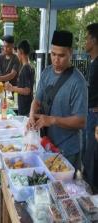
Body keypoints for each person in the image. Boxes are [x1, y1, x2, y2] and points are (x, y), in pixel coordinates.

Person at [28, 30, 88, 170]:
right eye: (53, 54)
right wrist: (31, 115)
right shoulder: (46, 72)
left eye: (61, 55)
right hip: (46, 144)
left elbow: (81, 121)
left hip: (67, 151)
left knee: (66, 190)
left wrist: (52, 120)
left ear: (70, 53)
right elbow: (37, 100)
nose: (56, 59)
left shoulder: (78, 82)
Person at [82, 23, 98, 189]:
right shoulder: (93, 63)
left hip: (95, 116)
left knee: (92, 159)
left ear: (93, 40)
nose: (85, 42)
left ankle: (92, 197)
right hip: (89, 114)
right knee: (87, 157)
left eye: (86, 38)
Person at [5, 40, 35, 116]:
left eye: (17, 52)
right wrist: (12, 87)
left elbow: (27, 90)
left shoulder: (26, 68)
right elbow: (23, 87)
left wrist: (12, 88)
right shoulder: (28, 67)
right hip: (25, 106)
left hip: (26, 109)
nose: (16, 54)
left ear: (21, 51)